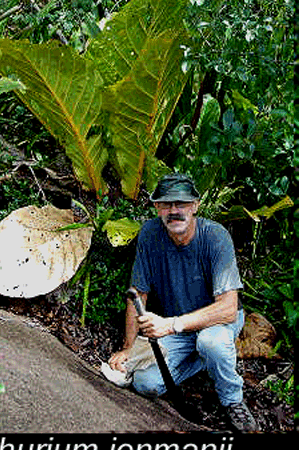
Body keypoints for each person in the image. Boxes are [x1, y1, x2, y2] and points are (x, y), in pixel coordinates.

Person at [109, 173, 258, 432]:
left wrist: (172, 325)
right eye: (166, 204)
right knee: (145, 383)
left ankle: (233, 400)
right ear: (156, 207)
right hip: (177, 327)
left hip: (214, 321)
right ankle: (202, 361)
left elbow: (228, 308)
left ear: (195, 206)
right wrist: (128, 347)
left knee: (211, 342)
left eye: (181, 204)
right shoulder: (150, 234)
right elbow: (138, 293)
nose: (174, 211)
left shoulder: (215, 237)